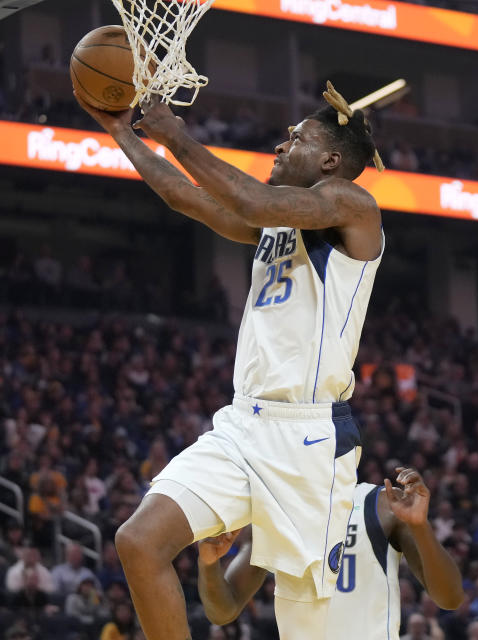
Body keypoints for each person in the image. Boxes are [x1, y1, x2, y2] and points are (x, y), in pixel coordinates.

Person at [74, 78, 386, 640]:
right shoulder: (276, 220)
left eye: (296, 138)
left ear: (331, 160)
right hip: (243, 425)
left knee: (309, 628)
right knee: (139, 543)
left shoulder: (352, 205)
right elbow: (186, 197)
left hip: (310, 443)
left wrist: (178, 136)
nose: (280, 145)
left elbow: (251, 199)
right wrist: (122, 132)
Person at [196, 466, 465, 639]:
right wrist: (208, 564)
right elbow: (222, 611)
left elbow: (450, 598)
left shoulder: (382, 504)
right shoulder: (278, 510)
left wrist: (420, 527)